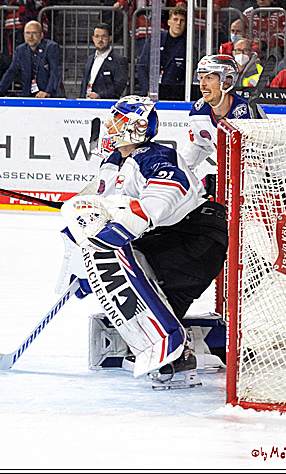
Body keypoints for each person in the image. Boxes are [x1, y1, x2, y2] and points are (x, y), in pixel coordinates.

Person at [59, 96, 226, 389]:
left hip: (197, 237)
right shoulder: (114, 162)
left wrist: (130, 219)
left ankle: (176, 355)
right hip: (170, 240)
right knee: (102, 258)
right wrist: (79, 265)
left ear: (136, 127)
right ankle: (190, 344)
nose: (110, 125)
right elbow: (97, 207)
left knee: (114, 257)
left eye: (118, 120)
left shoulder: (154, 155)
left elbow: (165, 194)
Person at [180, 54, 266, 193]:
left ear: (227, 82)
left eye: (209, 78)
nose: (202, 85)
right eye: (201, 78)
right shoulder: (199, 112)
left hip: (261, 187)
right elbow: (197, 147)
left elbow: (262, 163)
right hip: (231, 184)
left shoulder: (248, 114)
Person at [0, 20, 63, 97]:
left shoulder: (51, 47)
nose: (30, 36)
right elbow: (11, 71)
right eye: (27, 33)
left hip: (51, 96)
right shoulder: (20, 50)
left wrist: (48, 92)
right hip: (29, 95)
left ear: (41, 34)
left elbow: (55, 72)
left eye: (34, 33)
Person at [136, 7, 189, 98]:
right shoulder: (155, 39)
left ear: (186, 24)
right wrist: (147, 90)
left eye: (182, 21)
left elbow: (188, 74)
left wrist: (177, 93)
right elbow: (142, 66)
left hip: (175, 96)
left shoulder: (188, 45)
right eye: (175, 19)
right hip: (151, 93)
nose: (178, 24)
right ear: (169, 22)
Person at [83, 22, 128, 99]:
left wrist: (100, 95)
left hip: (106, 106)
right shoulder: (90, 59)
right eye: (97, 36)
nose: (100, 40)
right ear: (93, 39)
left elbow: (119, 88)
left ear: (110, 38)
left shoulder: (119, 60)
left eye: (103, 36)